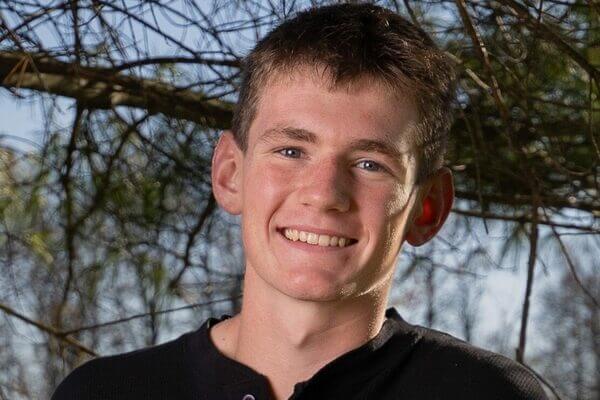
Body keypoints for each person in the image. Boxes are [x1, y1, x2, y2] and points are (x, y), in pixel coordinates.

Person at [52, 3, 549, 400]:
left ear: (427, 208)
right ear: (229, 174)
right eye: (291, 151)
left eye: (370, 164)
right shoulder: (105, 394)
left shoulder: (488, 394)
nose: (324, 194)